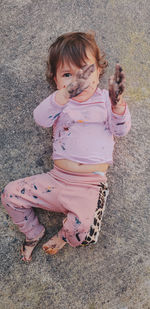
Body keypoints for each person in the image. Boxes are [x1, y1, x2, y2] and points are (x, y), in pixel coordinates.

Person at [1, 32, 131, 262]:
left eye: (84, 72)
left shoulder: (105, 100)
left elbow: (120, 131)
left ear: (99, 71)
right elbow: (41, 119)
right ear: (56, 80)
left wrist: (118, 105)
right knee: (10, 193)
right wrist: (63, 95)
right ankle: (33, 233)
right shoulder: (61, 102)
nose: (76, 82)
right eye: (67, 75)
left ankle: (64, 234)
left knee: (84, 234)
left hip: (89, 185)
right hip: (56, 180)